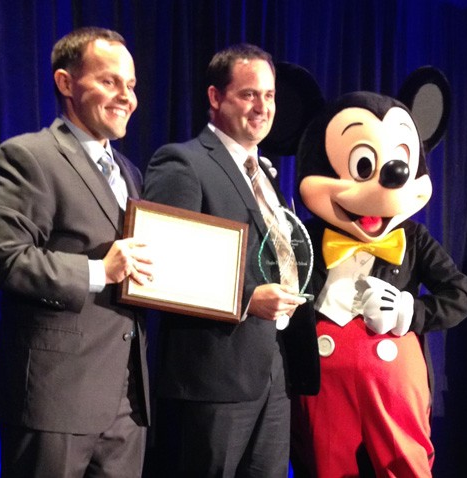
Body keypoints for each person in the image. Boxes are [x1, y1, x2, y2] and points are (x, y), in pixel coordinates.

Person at [0, 27, 153, 477]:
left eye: (130, 85)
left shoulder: (130, 173)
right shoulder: (28, 156)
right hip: (52, 399)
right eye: (110, 81)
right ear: (65, 83)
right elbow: (2, 258)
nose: (125, 97)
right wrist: (98, 271)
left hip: (125, 401)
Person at [142, 43, 318, 477]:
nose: (262, 107)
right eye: (249, 94)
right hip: (213, 379)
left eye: (270, 95)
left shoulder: (268, 174)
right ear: (216, 97)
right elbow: (163, 264)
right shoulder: (183, 162)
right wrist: (246, 299)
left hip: (273, 372)